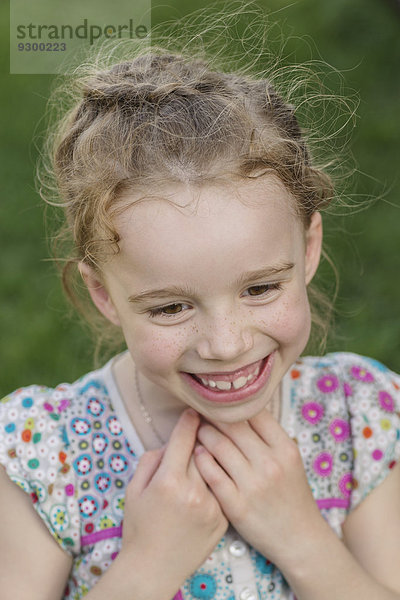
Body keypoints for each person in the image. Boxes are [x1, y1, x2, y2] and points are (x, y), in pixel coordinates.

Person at [1, 20, 400, 600]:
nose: (226, 343)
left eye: (260, 289)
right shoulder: (45, 455)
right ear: (104, 294)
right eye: (169, 307)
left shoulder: (359, 417)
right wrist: (150, 565)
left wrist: (303, 540)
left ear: (308, 249)